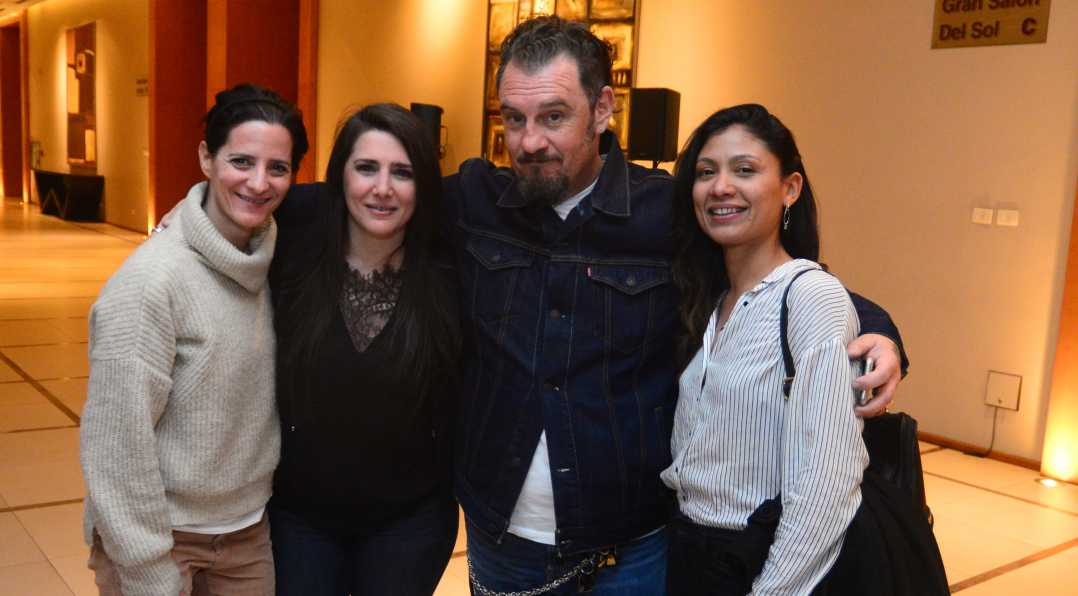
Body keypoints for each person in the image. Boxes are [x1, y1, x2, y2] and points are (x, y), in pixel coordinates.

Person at [448, 17, 908, 595]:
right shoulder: (474, 202)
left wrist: (882, 335)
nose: (530, 141)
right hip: (501, 536)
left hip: (631, 548)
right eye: (515, 118)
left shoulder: (666, 214)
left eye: (554, 116)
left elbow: (781, 283)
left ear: (602, 109)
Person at [80, 84, 308, 596]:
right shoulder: (150, 283)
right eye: (241, 161)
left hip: (247, 533)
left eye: (277, 168)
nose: (258, 182)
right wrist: (146, 567)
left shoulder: (274, 260)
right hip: (161, 537)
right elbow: (114, 446)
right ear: (206, 157)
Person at [661, 103, 869, 594]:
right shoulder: (711, 302)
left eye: (745, 170)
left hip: (760, 561)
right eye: (706, 172)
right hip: (688, 551)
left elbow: (827, 482)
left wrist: (771, 589)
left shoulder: (811, 297)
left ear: (790, 188)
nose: (720, 187)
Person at [265, 103, 461, 595]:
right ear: (340, 176)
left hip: (410, 521)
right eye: (367, 168)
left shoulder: (452, 271)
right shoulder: (290, 248)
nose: (382, 188)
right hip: (299, 517)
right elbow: (228, 201)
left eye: (403, 173)